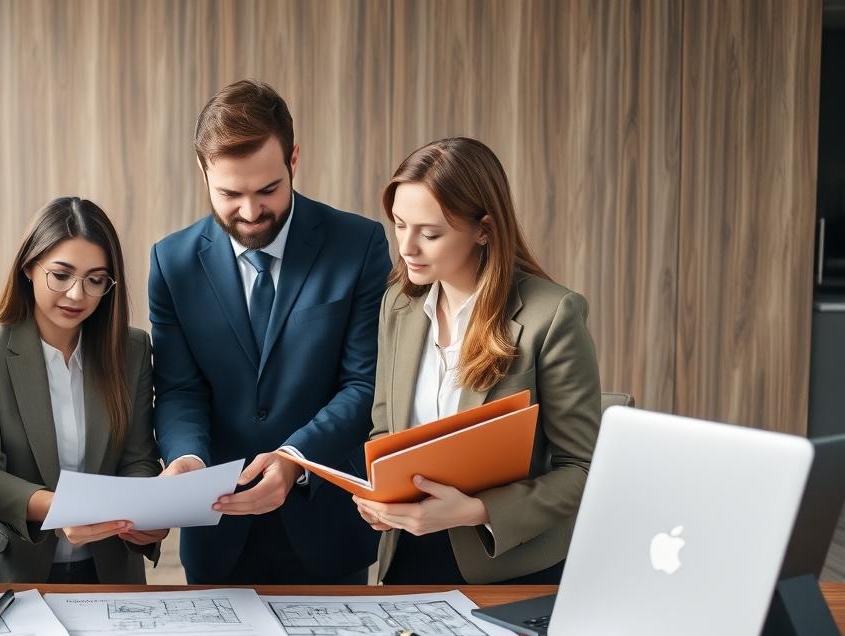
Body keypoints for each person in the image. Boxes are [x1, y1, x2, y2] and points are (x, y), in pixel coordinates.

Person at [149, 80, 390, 584]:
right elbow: (179, 388)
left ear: (293, 159)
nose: (251, 212)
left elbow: (364, 384)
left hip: (329, 531)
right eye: (229, 194)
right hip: (217, 531)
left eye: (267, 190)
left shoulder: (359, 244)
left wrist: (295, 458)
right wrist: (188, 458)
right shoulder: (171, 262)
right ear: (203, 171)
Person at [357, 137, 602, 585]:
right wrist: (380, 495)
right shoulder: (398, 305)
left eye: (430, 233)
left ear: (484, 230)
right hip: (406, 556)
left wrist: (476, 510)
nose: (407, 247)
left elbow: (582, 470)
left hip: (507, 564)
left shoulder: (552, 315)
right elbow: (384, 430)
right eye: (398, 225)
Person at [0, 197, 166, 584]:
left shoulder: (131, 350)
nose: (76, 295)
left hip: (108, 568)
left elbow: (139, 459)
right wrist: (64, 508)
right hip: (6, 569)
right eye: (61, 275)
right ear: (29, 267)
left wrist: (143, 514)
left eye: (95, 279)